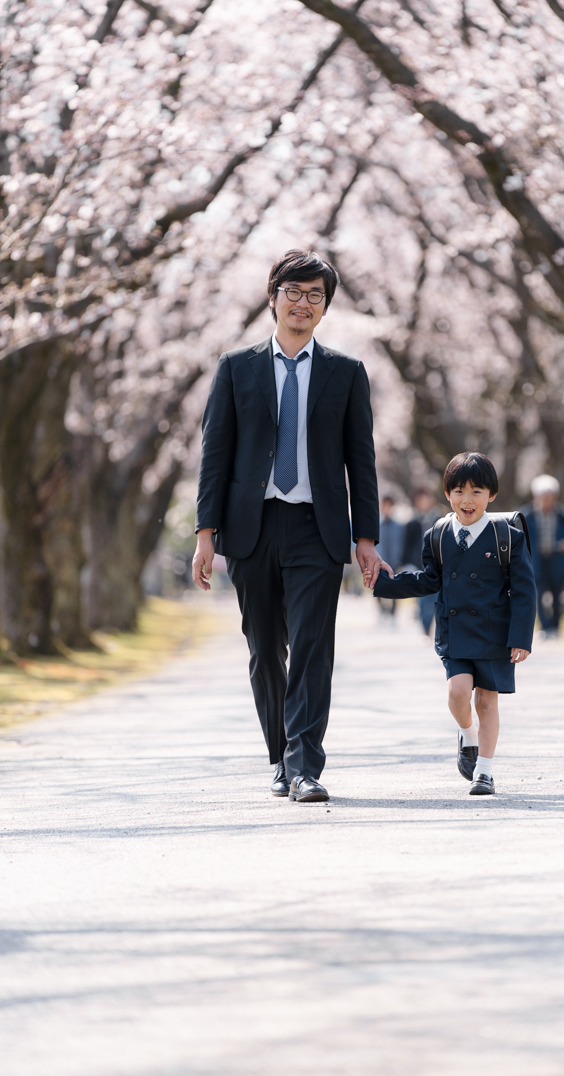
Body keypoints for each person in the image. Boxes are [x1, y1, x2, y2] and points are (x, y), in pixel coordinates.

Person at [191, 249, 388, 803]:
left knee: (311, 646)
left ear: (325, 309)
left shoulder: (346, 374)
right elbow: (216, 455)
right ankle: (280, 756)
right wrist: (206, 535)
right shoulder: (237, 368)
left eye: (315, 296)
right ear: (273, 296)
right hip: (250, 527)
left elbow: (361, 461)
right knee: (264, 650)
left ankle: (304, 764)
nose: (303, 304)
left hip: (317, 528)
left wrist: (365, 539)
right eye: (294, 292)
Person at [369, 452, 535, 796]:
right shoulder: (438, 535)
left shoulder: (508, 537)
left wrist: (521, 637)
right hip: (455, 630)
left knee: (487, 701)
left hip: (495, 632)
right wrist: (385, 583)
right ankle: (467, 734)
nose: (467, 499)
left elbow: (524, 590)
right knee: (458, 693)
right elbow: (429, 580)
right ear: (447, 495)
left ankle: (485, 771)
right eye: (459, 491)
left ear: (492, 495)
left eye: (477, 491)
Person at [522, 474, 564, 640]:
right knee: (538, 594)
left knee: (557, 595)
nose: (547, 500)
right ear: (536, 497)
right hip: (536, 561)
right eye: (543, 496)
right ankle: (545, 627)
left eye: (550, 496)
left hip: (557, 560)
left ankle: (555, 626)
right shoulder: (526, 515)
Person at [401, 488, 442, 636]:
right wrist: (405, 563)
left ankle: (432, 626)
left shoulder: (439, 519)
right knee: (422, 599)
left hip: (436, 565)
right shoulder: (412, 522)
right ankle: (425, 627)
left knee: (435, 598)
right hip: (418, 565)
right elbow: (406, 544)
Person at [376, 495, 405, 619]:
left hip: (394, 561)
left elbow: (402, 544)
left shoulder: (399, 526)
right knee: (377, 586)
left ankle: (393, 613)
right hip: (378, 560)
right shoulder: (377, 525)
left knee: (395, 587)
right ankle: (382, 610)